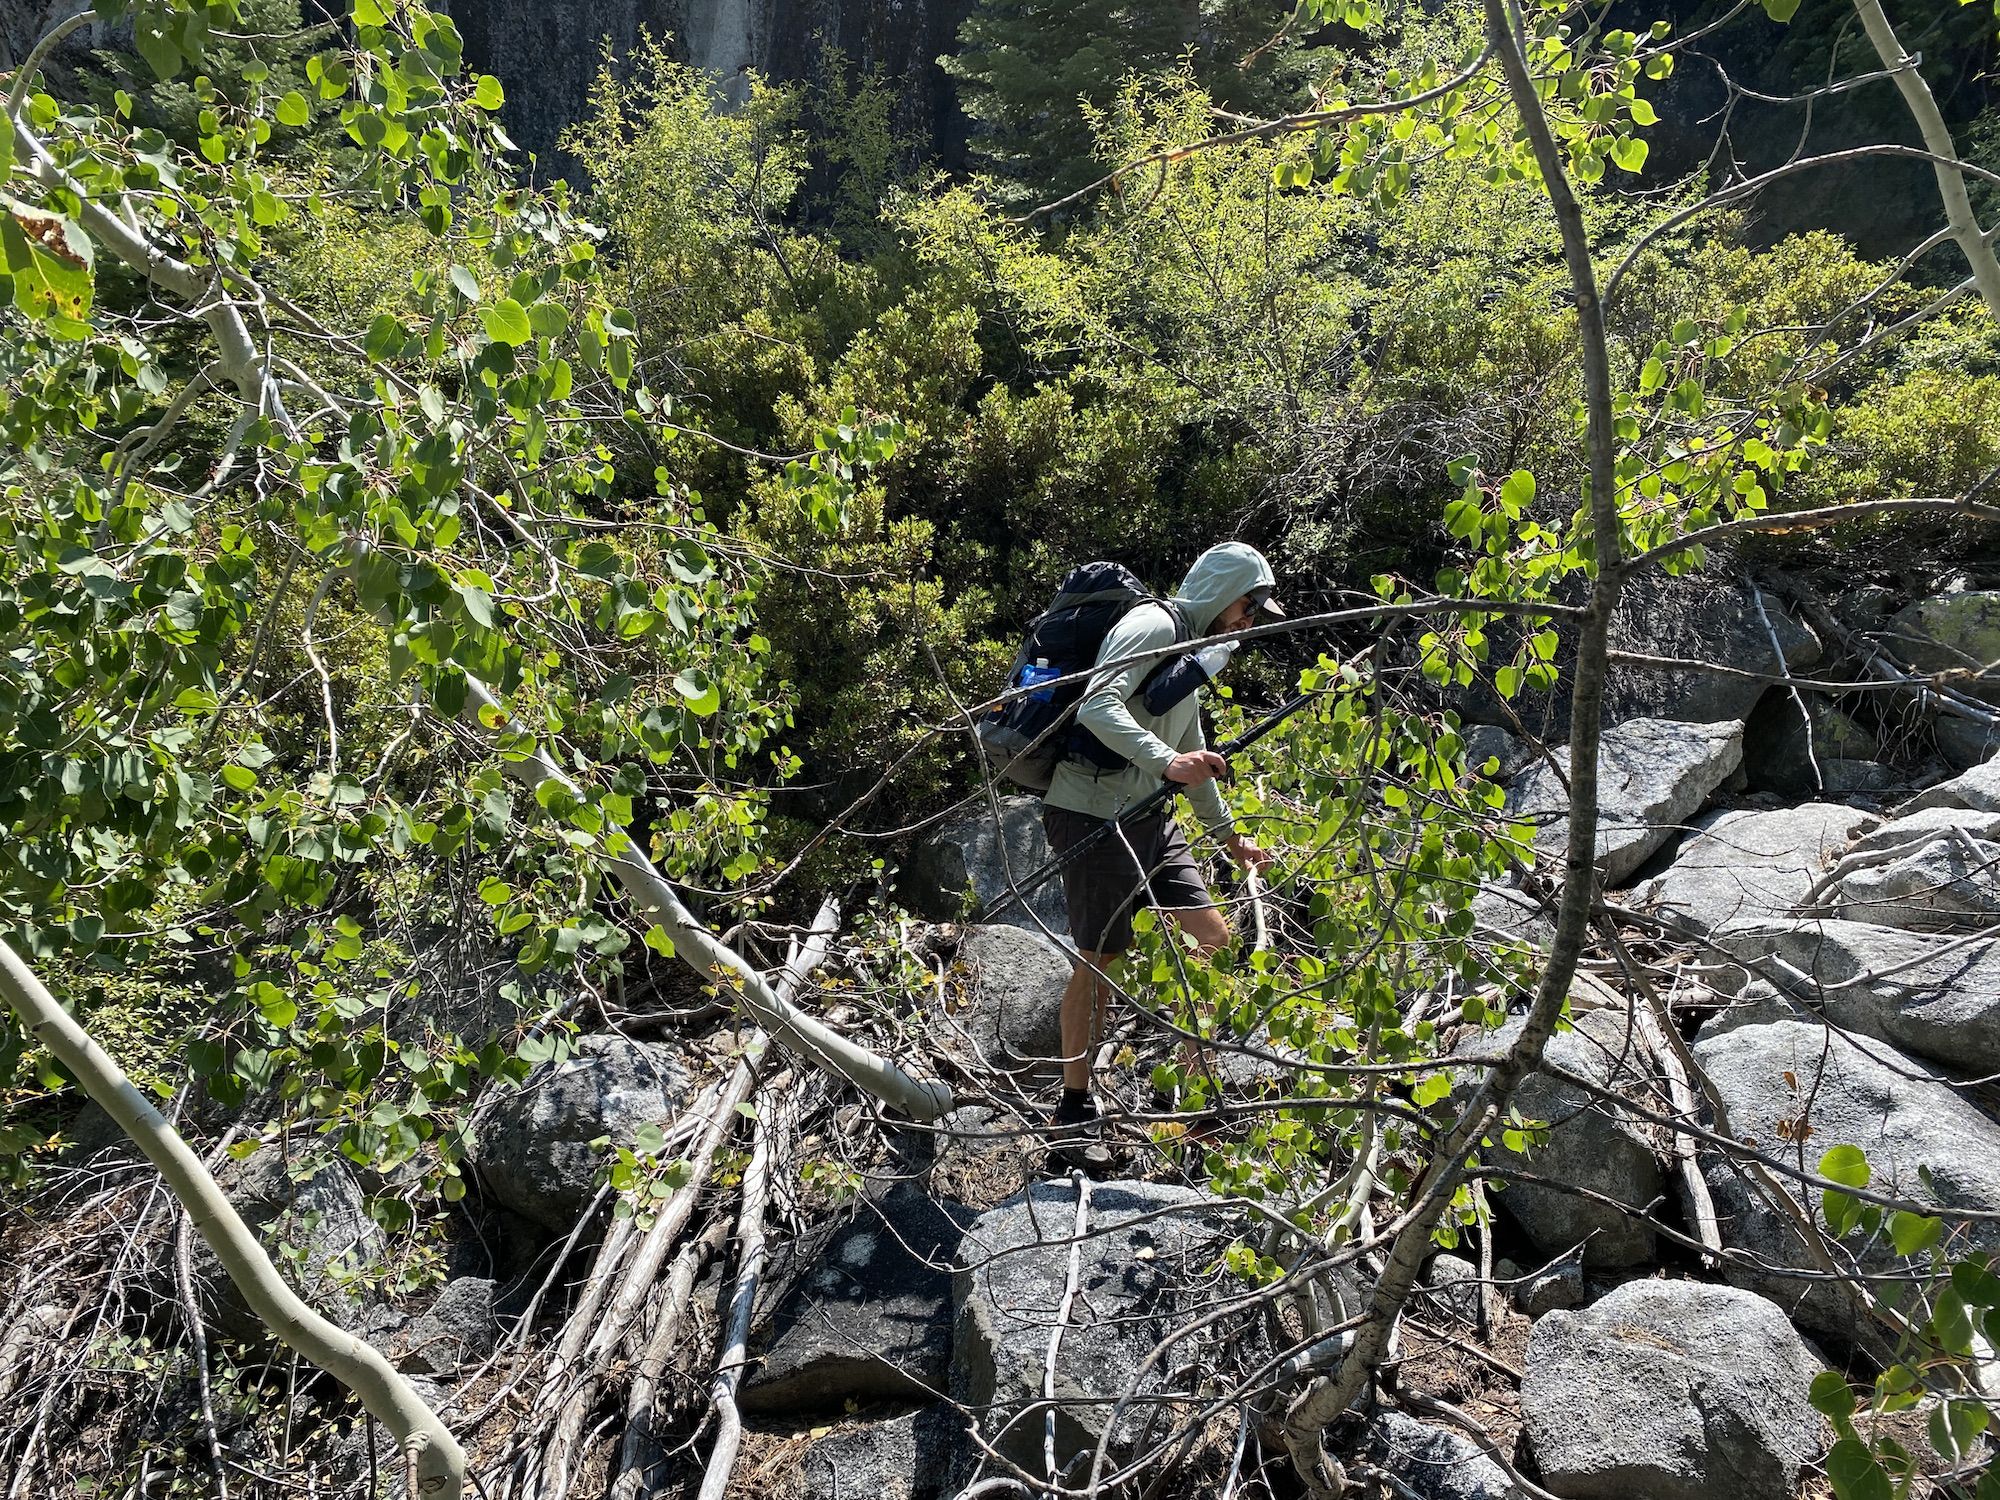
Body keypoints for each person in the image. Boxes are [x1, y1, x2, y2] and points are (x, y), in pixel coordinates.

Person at [1041, 541, 1281, 1162]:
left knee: (1215, 940)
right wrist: (1166, 761)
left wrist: (1230, 838)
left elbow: (1194, 756)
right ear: (1223, 591)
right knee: (1099, 965)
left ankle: (1191, 1089)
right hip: (1093, 814)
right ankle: (1071, 1110)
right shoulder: (1151, 624)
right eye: (1249, 605)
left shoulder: (1191, 657)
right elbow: (1098, 705)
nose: (1251, 619)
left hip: (1149, 817)